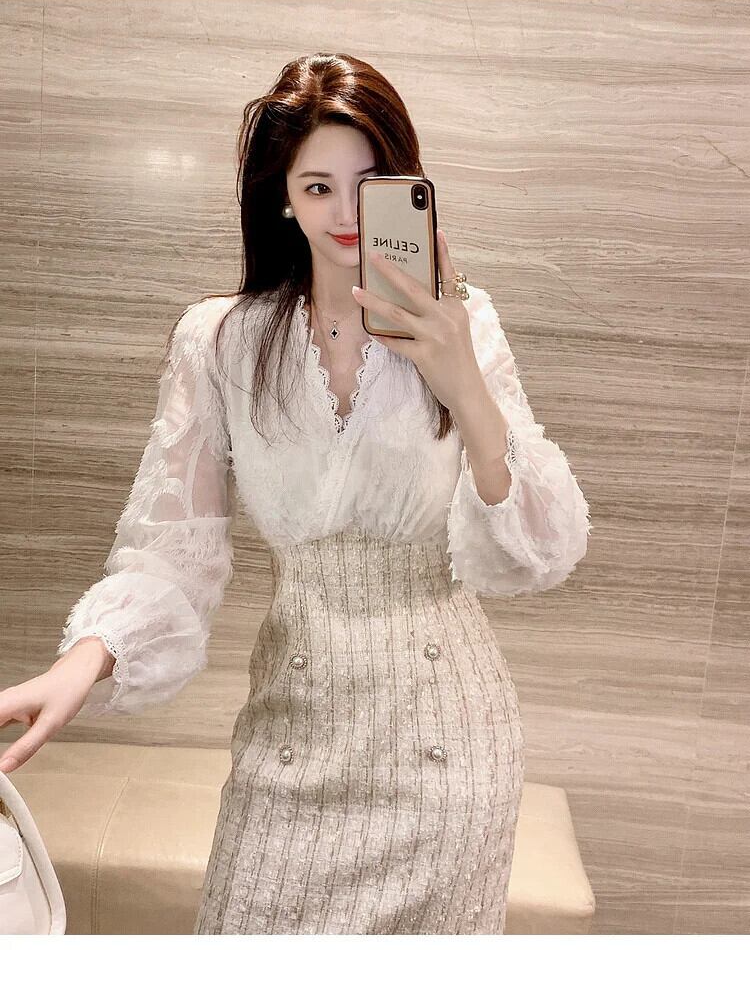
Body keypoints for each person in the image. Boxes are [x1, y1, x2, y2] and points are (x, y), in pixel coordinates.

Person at [0, 52, 591, 935]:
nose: (346, 214)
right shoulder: (221, 343)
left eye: (369, 186)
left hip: (449, 751)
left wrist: (461, 375)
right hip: (291, 735)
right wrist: (81, 663)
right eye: (318, 187)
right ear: (283, 196)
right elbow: (173, 551)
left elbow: (541, 549)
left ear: (406, 186)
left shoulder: (467, 321)